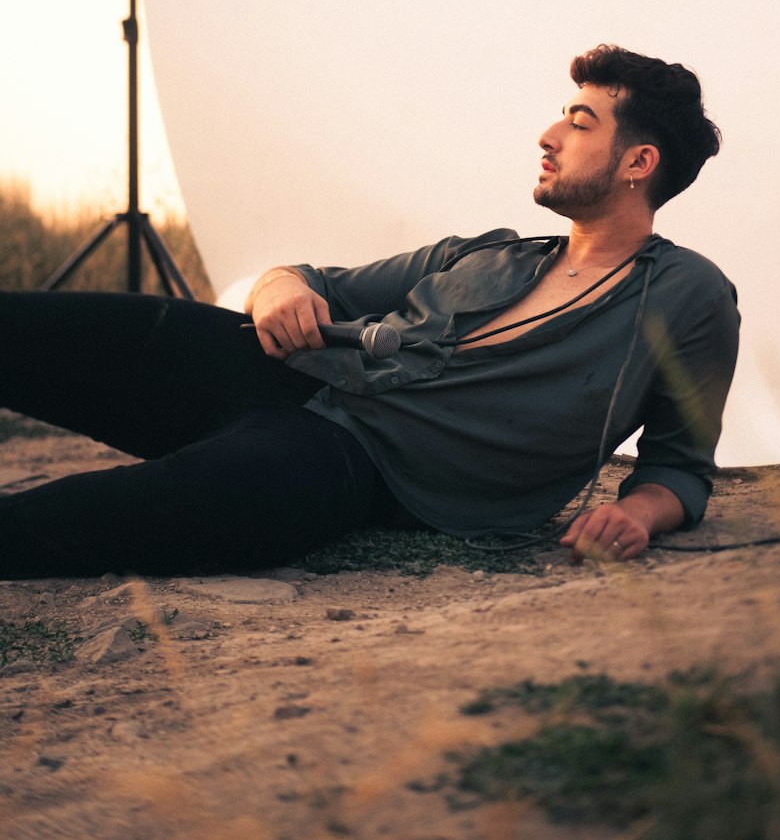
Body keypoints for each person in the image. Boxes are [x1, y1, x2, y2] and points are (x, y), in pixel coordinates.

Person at [0, 46, 739, 579]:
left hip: (354, 465)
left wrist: (638, 514)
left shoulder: (688, 295)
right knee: (45, 332)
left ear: (638, 163)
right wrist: (280, 290)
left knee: (78, 518)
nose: (549, 137)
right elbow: (312, 278)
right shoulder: (491, 252)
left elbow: (679, 466)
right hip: (284, 374)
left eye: (579, 123)